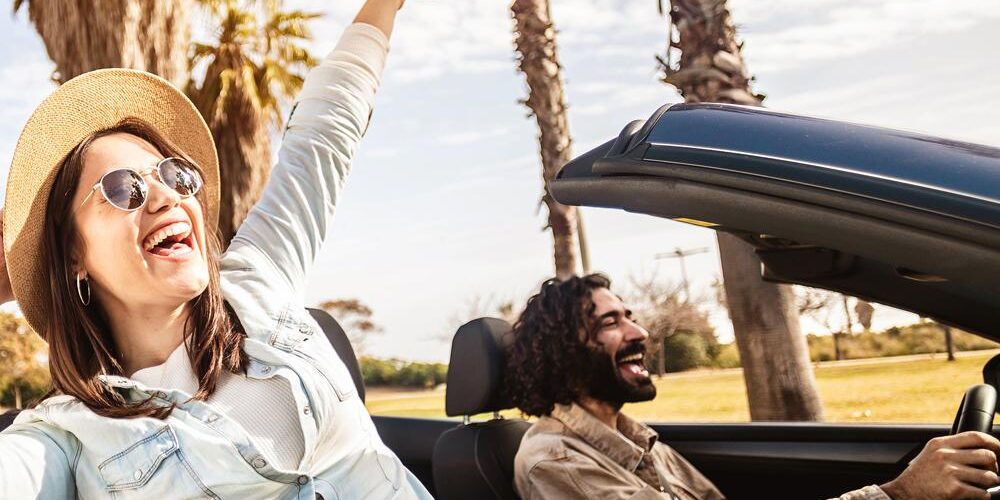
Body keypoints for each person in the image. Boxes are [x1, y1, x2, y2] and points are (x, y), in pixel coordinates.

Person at [0, 1, 432, 498]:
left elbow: (324, 132)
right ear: (72, 252)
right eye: (122, 189)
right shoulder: (66, 434)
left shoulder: (258, 279)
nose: (166, 196)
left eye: (174, 173)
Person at [505, 273, 1000, 500]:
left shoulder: (635, 438)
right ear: (564, 352)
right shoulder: (557, 462)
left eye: (631, 317)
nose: (639, 333)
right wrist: (899, 494)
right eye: (610, 322)